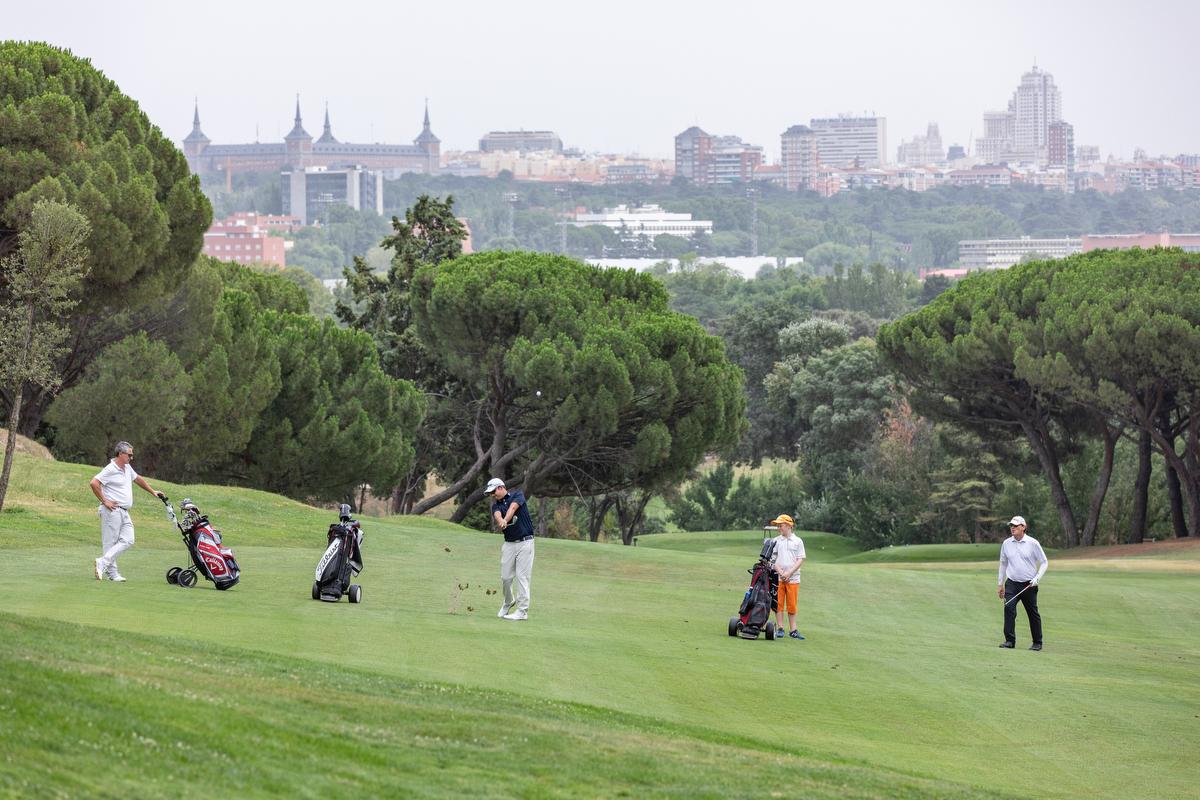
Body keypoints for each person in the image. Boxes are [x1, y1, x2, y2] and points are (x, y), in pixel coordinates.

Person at [90, 441, 165, 582]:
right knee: (110, 543)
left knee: (129, 540)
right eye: (129, 455)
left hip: (124, 511)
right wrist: (105, 500)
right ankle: (112, 574)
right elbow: (94, 483)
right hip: (112, 511)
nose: (131, 457)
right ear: (120, 454)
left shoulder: (127, 468)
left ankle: (103, 562)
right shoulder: (110, 469)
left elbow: (138, 479)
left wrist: (152, 491)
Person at [997, 515, 1048, 651]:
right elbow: (1003, 563)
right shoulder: (1006, 543)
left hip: (1029, 585)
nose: (1012, 528)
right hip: (1012, 583)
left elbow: (1044, 562)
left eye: (1015, 526)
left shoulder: (1033, 543)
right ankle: (1009, 641)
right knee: (1009, 609)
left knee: (1032, 612)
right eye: (1011, 526)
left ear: (1023, 527)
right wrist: (1000, 584)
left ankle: (1037, 642)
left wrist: (1037, 578)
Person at [487, 477, 534, 621]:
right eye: (490, 493)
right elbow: (497, 515)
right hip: (509, 544)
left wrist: (505, 521)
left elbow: (513, 508)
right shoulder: (496, 505)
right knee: (506, 577)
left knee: (522, 577)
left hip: (526, 542)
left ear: (501, 487)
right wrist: (500, 521)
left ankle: (522, 611)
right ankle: (508, 601)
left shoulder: (517, 495)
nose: (492, 495)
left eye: (493, 491)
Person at [770, 514, 806, 640]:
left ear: (789, 525)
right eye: (778, 526)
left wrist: (789, 573)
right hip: (779, 577)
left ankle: (793, 629)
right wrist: (781, 572)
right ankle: (780, 627)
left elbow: (800, 559)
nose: (779, 528)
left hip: (793, 578)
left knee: (791, 604)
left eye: (781, 525)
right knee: (778, 603)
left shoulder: (797, 541)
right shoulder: (776, 541)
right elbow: (773, 560)